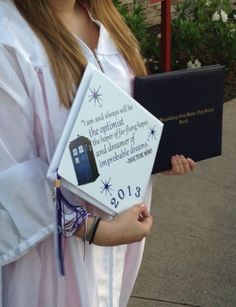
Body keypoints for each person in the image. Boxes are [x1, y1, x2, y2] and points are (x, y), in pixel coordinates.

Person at [0, 0, 195, 306]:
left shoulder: (105, 22)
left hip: (117, 243)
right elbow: (9, 177)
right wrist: (95, 230)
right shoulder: (9, 38)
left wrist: (155, 155)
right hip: (50, 261)